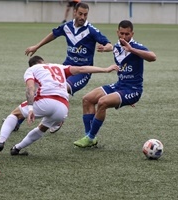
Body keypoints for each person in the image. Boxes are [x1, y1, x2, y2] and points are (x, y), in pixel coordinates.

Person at [0, 56, 118, 154]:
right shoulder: (58, 67)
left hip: (45, 100)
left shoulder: (32, 70)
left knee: (15, 114)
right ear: (43, 62)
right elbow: (82, 69)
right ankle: (17, 148)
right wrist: (105, 69)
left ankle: (1, 141)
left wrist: (30, 109)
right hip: (63, 107)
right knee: (42, 128)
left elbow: (30, 89)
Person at [23, 2, 113, 133]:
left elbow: (109, 44)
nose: (83, 17)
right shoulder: (67, 27)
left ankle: (58, 119)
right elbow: (53, 34)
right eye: (80, 14)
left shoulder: (91, 30)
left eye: (85, 14)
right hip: (66, 68)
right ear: (75, 12)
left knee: (62, 88)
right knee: (38, 89)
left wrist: (106, 48)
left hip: (83, 72)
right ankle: (19, 117)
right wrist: (37, 46)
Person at [73, 20, 157, 148]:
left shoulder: (136, 46)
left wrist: (132, 49)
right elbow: (112, 47)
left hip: (133, 89)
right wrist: (106, 48)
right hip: (119, 86)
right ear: (117, 32)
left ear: (132, 33)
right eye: (121, 33)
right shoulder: (117, 47)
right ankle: (90, 137)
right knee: (87, 99)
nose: (123, 37)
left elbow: (153, 57)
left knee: (102, 102)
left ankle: (90, 137)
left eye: (127, 34)